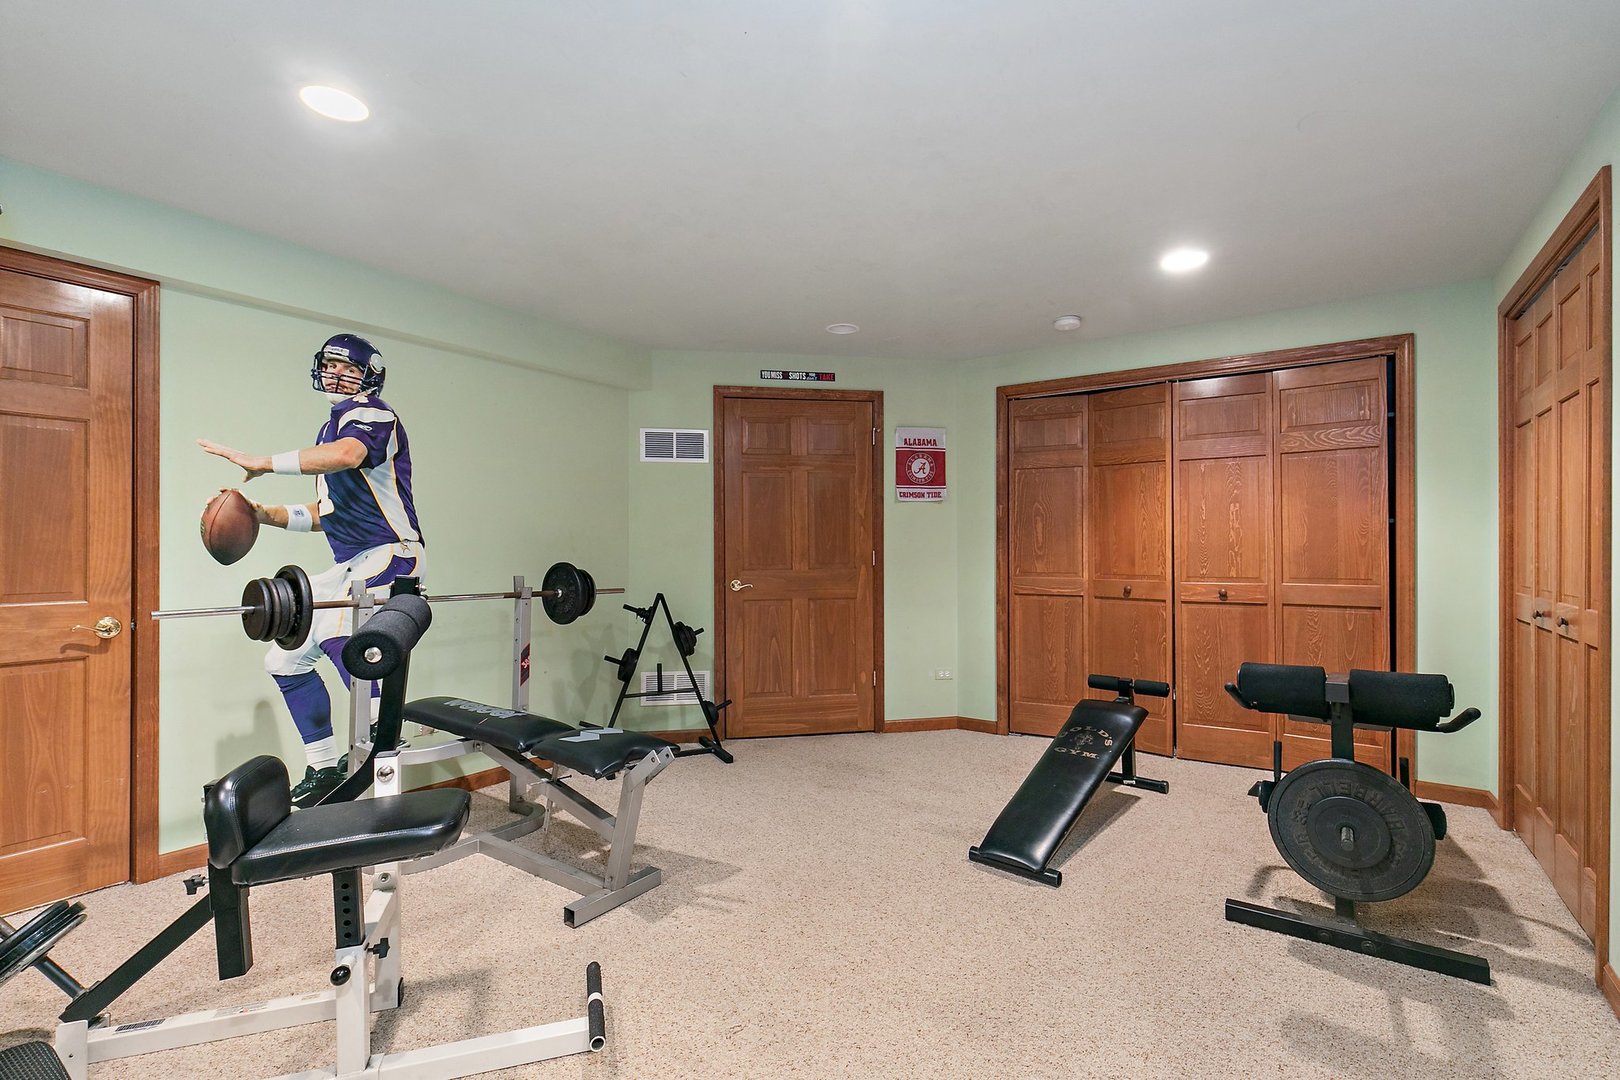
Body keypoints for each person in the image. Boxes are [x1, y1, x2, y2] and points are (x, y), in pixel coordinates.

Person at [199, 333, 425, 806]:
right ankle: (324, 768)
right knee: (283, 660)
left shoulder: (372, 415)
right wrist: (262, 514)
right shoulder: (329, 432)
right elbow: (327, 514)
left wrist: (261, 461)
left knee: (342, 634)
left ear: (371, 376)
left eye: (349, 367)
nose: (337, 374)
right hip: (350, 560)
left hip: (391, 552)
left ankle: (384, 739)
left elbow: (350, 456)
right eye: (330, 365)